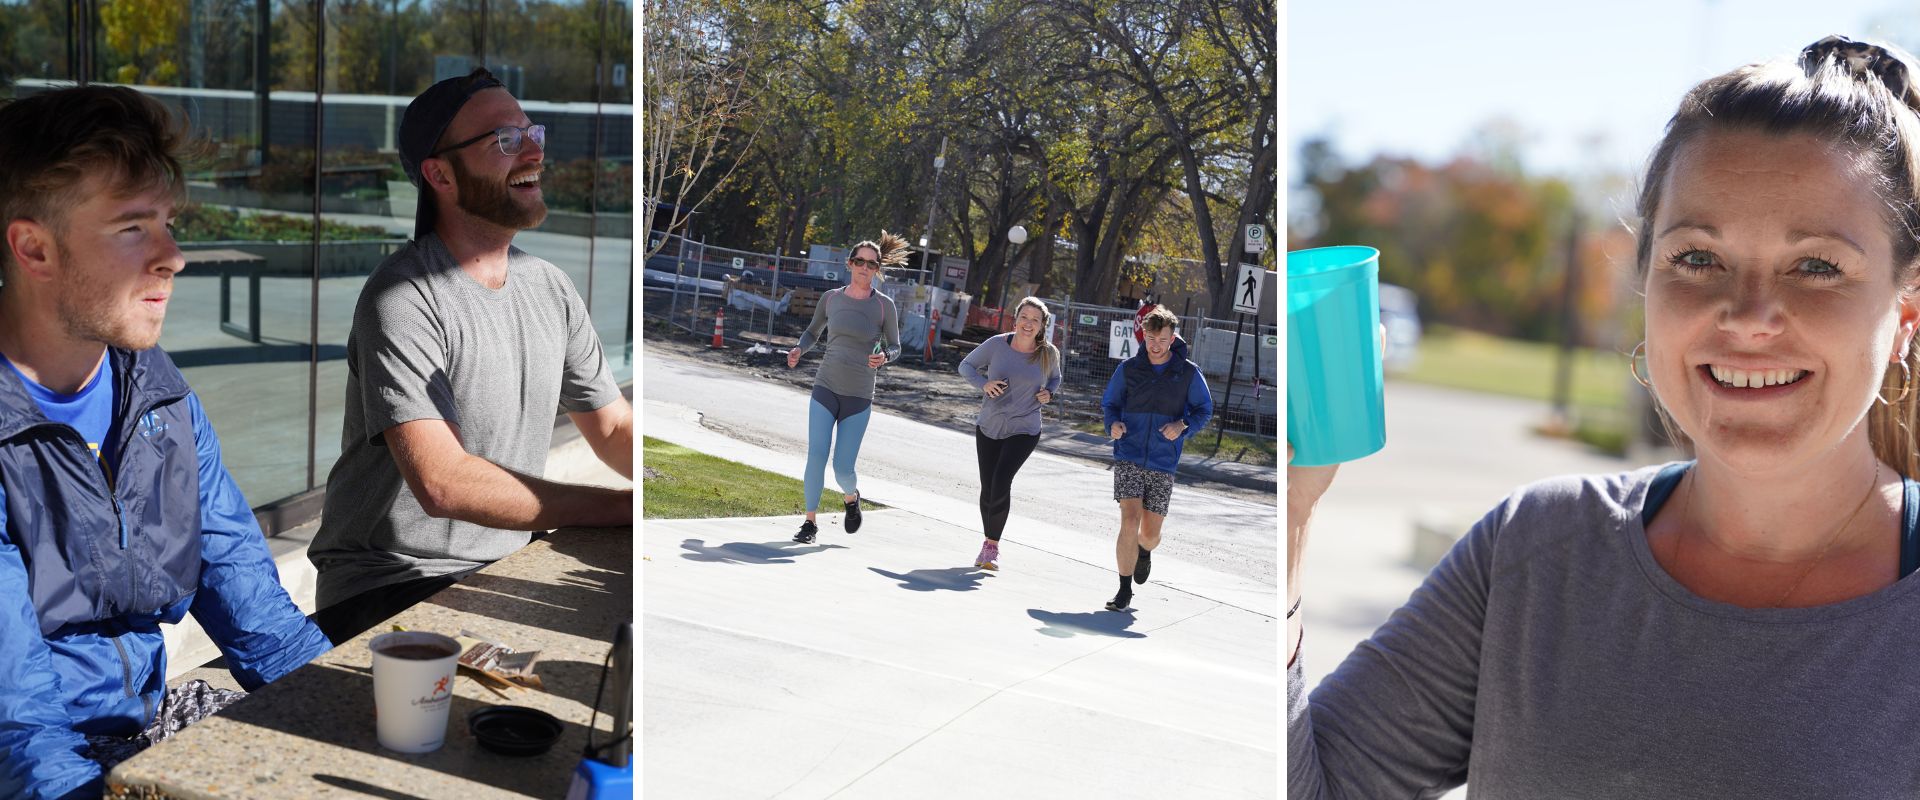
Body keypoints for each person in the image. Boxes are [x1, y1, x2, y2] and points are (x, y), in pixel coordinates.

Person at [1289, 36, 1920, 798]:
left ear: (1907, 314)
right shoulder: (1533, 552)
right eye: (1697, 258)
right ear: (1647, 285)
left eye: (1816, 266)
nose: (1750, 317)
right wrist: (1290, 518)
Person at [0, 86, 332, 799]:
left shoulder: (157, 395)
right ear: (33, 247)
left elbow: (262, 620)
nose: (173, 257)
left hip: (141, 733)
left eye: (168, 223)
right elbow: (18, 731)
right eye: (132, 229)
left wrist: (357, 719)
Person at [309, 68, 632, 645]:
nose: (532, 149)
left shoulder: (550, 287)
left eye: (532, 131)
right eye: (504, 140)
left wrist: (657, 497)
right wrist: (615, 509)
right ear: (440, 174)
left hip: (504, 564)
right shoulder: (403, 297)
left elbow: (611, 427)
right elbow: (444, 483)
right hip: (389, 583)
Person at [784, 233, 905, 543]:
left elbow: (896, 346)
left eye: (871, 263)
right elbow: (813, 332)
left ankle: (851, 498)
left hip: (859, 396)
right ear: (850, 264)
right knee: (816, 455)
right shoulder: (832, 298)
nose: (865, 267)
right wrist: (800, 348)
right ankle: (809, 522)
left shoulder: (883, 306)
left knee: (842, 468)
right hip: (826, 386)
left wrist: (885, 356)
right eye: (860, 261)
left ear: (877, 269)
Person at [1100, 306, 1212, 611]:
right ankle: (1124, 590)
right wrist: (1113, 424)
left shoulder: (1188, 372)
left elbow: (1204, 411)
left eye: (1162, 338)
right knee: (1129, 519)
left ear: (1172, 337)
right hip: (1129, 454)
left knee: (1149, 534)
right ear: (1144, 335)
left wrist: (1182, 425)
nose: (1155, 344)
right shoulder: (1129, 369)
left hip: (1164, 460)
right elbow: (1110, 403)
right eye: (1150, 337)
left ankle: (1144, 551)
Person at [958, 296, 1063, 569]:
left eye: (1035, 320)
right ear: (1015, 319)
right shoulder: (996, 345)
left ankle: (991, 546)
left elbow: (1055, 377)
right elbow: (965, 366)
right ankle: (987, 540)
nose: (1029, 324)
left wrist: (1048, 393)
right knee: (988, 487)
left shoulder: (1047, 353)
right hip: (990, 424)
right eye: (1024, 317)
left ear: (1042, 326)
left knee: (1002, 480)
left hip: (1025, 428)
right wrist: (984, 384)